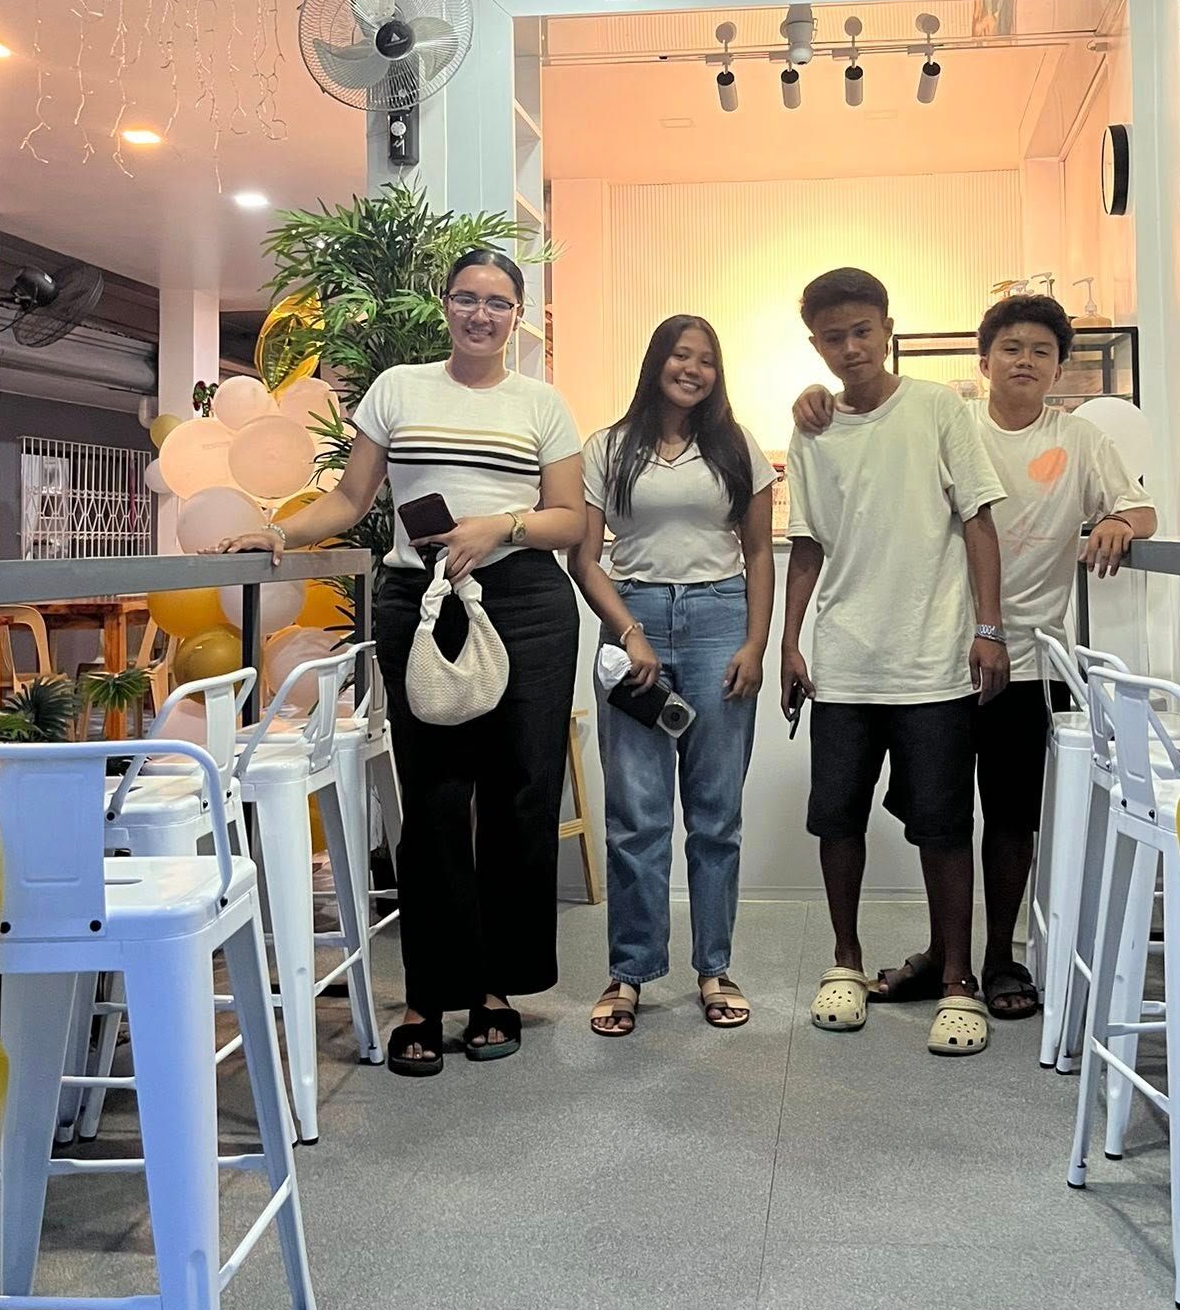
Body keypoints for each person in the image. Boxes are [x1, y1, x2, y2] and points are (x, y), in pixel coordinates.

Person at [224, 248, 584, 1075]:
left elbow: (568, 521)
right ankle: (428, 992)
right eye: (468, 298)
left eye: (498, 302)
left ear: (517, 315)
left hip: (525, 605)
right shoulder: (398, 388)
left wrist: (502, 526)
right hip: (420, 604)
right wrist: (279, 531)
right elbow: (352, 501)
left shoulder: (543, 404)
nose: (481, 314)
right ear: (445, 305)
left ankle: (495, 987)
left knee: (518, 798)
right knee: (430, 801)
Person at [793, 291, 1156, 1021]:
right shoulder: (950, 418)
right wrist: (819, 399)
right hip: (943, 657)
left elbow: (1140, 508)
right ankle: (943, 956)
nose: (1025, 362)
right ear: (983, 361)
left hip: (1025, 658)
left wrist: (1118, 519)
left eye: (1042, 352)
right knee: (940, 814)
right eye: (1011, 350)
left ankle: (995, 959)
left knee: (1010, 818)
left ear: (1060, 366)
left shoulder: (1078, 438)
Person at [781, 267, 1008, 1059]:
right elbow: (805, 543)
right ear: (816, 344)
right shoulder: (810, 430)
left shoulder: (942, 410)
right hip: (844, 662)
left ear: (887, 328)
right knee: (836, 817)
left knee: (943, 825)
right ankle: (844, 959)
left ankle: (957, 977)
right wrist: (789, 640)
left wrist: (991, 628)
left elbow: (979, 522)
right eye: (833, 337)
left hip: (933, 658)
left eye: (862, 331)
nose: (851, 348)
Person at [570, 315, 775, 1038]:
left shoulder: (738, 446)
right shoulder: (606, 447)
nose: (694, 369)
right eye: (682, 356)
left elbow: (759, 552)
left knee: (716, 814)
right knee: (636, 815)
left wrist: (755, 643)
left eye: (707, 360)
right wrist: (629, 632)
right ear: (656, 360)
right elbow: (586, 558)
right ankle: (629, 973)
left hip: (722, 620)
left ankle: (714, 968)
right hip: (638, 620)